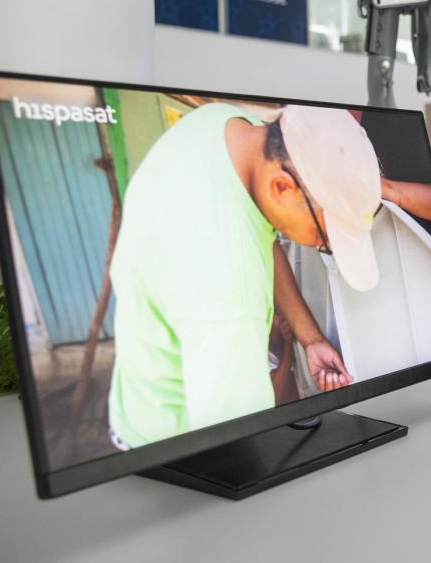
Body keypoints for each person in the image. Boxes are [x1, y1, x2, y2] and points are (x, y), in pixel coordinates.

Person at [108, 102, 382, 449]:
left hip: (137, 390)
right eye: (324, 238)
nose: (320, 246)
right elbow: (237, 443)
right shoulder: (228, 294)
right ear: (283, 188)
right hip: (169, 447)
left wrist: (310, 337)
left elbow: (263, 234)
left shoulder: (232, 127)